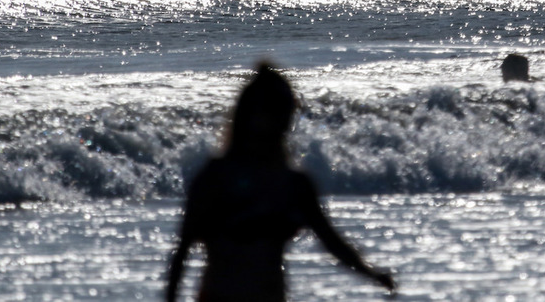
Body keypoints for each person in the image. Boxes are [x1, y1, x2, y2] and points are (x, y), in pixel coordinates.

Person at [166, 63, 396, 302]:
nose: (280, 122)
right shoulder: (217, 176)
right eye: (271, 111)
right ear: (248, 114)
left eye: (283, 112)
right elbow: (182, 251)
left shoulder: (294, 183)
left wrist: (371, 273)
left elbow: (331, 241)